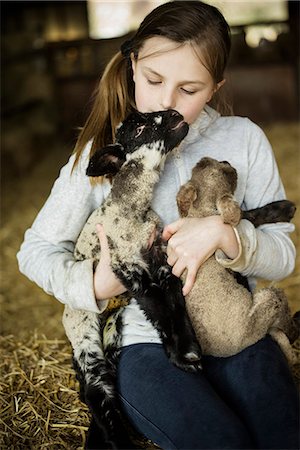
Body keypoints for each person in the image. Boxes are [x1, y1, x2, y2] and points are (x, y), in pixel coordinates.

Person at [17, 1, 299, 449]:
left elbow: (283, 253)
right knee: (220, 442)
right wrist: (95, 283)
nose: (166, 102)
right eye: (153, 80)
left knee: (284, 433)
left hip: (235, 327)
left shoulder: (243, 139)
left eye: (189, 89)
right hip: (147, 344)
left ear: (215, 88)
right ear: (132, 66)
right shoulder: (103, 155)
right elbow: (34, 250)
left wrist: (228, 236)